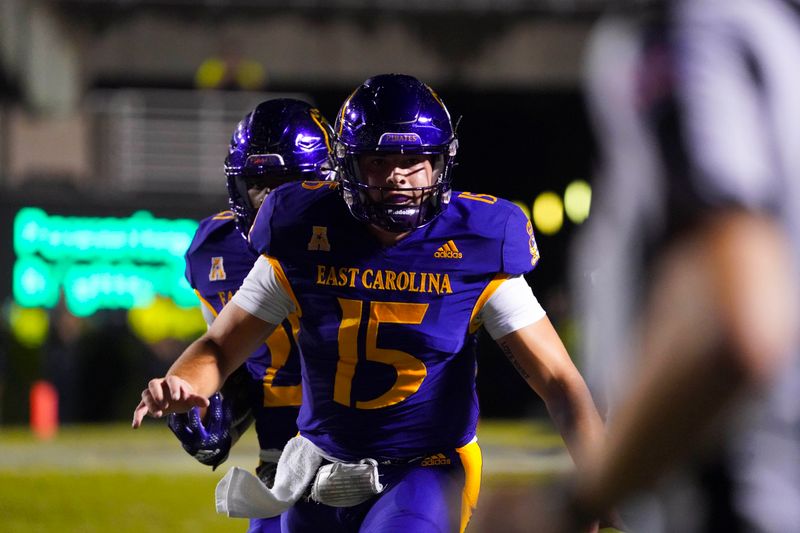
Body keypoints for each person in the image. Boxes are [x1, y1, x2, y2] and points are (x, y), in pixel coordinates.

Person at [133, 73, 605, 533]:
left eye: (414, 159)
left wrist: (599, 484)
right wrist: (181, 383)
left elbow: (560, 381)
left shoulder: (476, 242)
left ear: (440, 164)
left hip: (425, 465)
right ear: (348, 166)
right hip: (319, 464)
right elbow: (220, 347)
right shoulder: (299, 232)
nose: (398, 176)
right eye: (380, 160)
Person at [557, 1, 800, 531]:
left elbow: (734, 320)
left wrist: (580, 499)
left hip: (740, 496)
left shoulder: (692, 29)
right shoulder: (778, 36)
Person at [165, 98, 335, 533]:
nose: (266, 199)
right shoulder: (213, 248)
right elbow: (231, 362)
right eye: (255, 182)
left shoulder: (364, 240)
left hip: (368, 456)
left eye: (284, 183)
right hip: (280, 464)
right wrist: (213, 417)